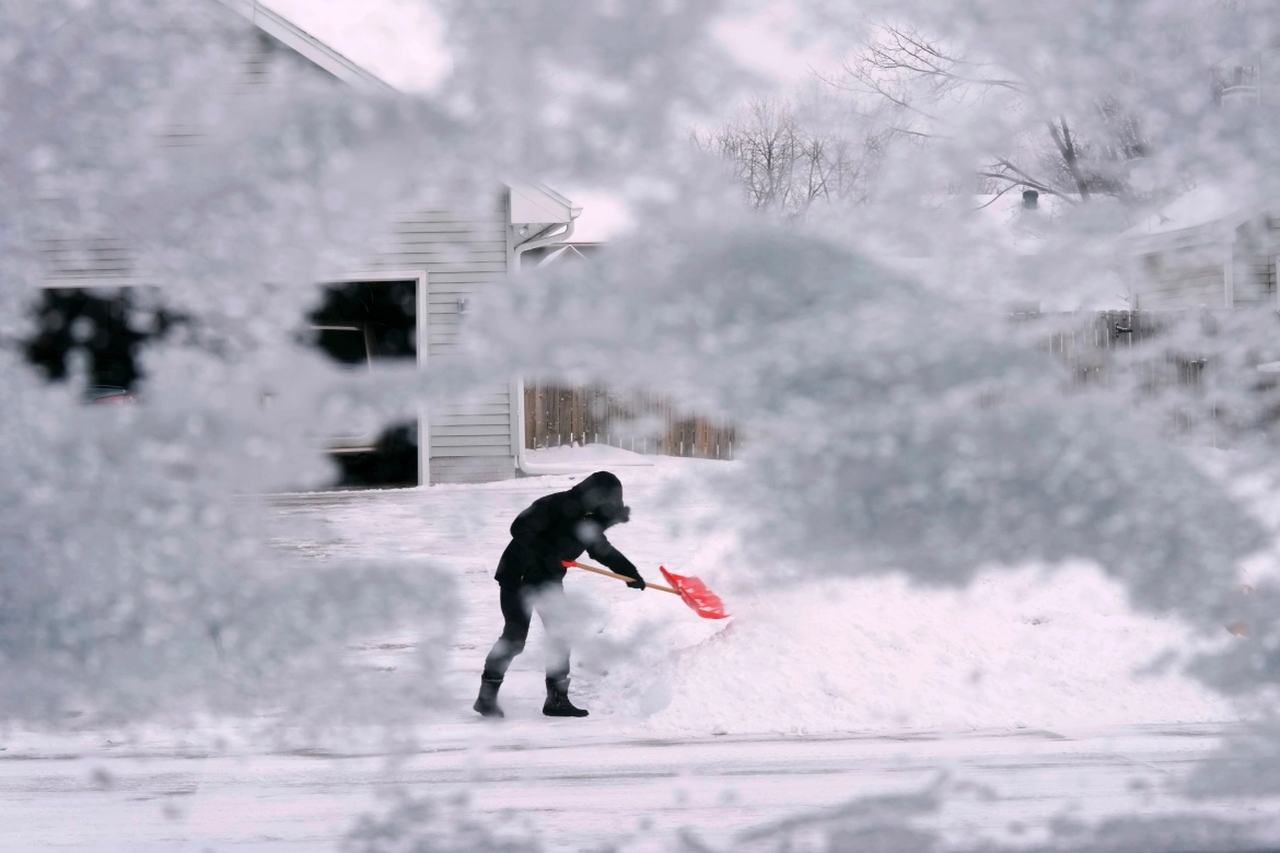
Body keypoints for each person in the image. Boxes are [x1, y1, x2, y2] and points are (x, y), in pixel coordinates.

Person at [474, 471, 645, 719]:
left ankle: (557, 700)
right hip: (518, 576)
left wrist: (629, 573)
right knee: (514, 638)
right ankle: (486, 697)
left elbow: (601, 550)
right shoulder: (554, 505)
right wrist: (549, 553)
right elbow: (519, 528)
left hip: (548, 582)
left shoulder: (591, 519)